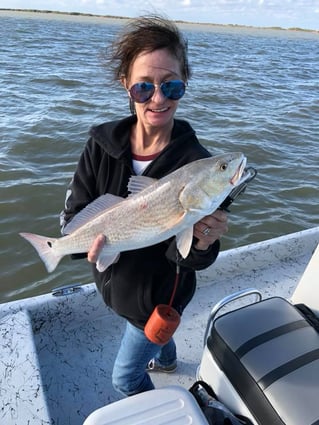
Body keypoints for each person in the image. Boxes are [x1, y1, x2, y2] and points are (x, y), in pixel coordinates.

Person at [60, 15, 228, 397]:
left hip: (157, 299)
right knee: (156, 341)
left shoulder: (201, 168)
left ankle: (166, 407)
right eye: (143, 88)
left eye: (171, 86)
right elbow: (71, 217)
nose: (158, 99)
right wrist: (77, 245)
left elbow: (191, 257)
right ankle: (167, 356)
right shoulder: (99, 145)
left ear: (184, 84)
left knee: (126, 379)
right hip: (114, 286)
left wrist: (204, 243)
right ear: (126, 86)